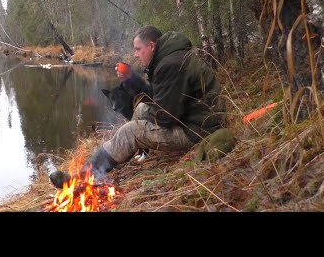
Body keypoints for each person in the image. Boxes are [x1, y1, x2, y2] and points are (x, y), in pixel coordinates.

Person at [50, 25, 227, 188]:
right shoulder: (170, 57)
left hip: (198, 131)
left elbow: (167, 116)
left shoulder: (170, 64)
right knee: (141, 108)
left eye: (137, 49)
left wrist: (139, 128)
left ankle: (83, 176)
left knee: (131, 131)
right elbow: (158, 96)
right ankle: (124, 155)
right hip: (196, 120)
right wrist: (132, 77)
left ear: (151, 46)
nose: (135, 54)